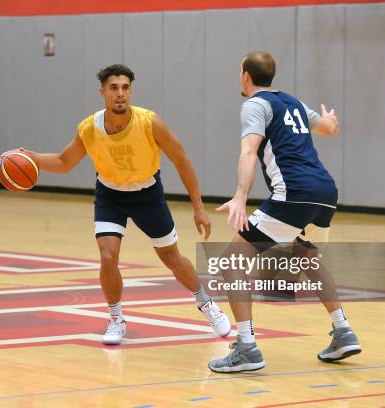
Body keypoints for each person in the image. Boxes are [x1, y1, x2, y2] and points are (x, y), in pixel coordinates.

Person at [22, 64, 231, 344]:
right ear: (103, 92)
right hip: (111, 195)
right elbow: (63, 162)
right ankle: (116, 318)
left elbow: (182, 160)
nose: (120, 93)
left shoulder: (149, 122)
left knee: (171, 257)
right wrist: (33, 158)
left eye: (125, 88)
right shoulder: (89, 128)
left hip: (148, 194)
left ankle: (206, 303)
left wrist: (198, 207)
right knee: (108, 256)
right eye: (113, 88)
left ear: (130, 91)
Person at [208, 52, 361, 373]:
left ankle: (247, 347)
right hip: (325, 192)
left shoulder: (254, 105)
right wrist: (330, 120)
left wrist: (240, 196)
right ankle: (343, 331)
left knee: (230, 263)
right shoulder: (292, 102)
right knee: (308, 258)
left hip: (295, 194)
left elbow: (249, 150)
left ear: (245, 76)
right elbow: (328, 129)